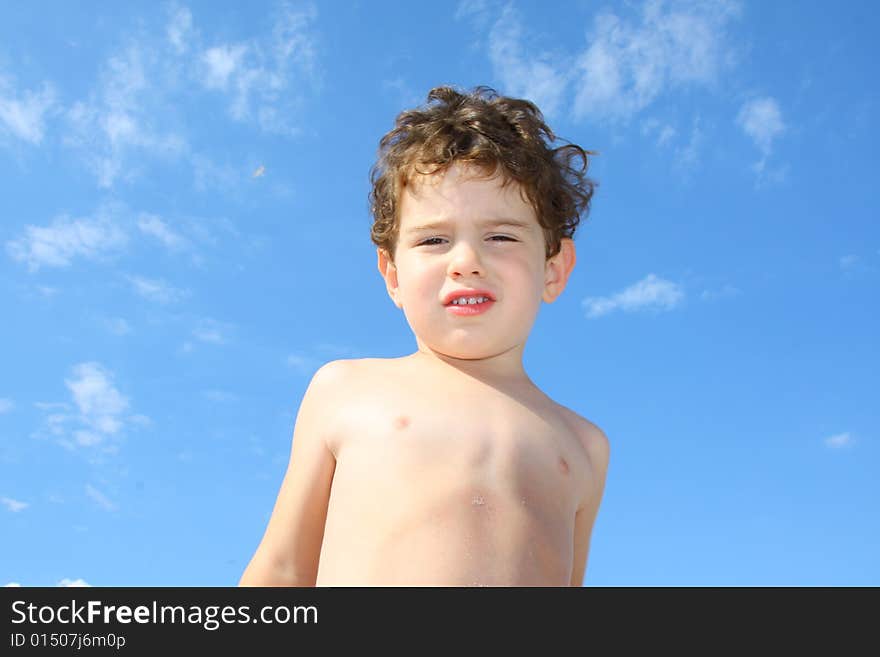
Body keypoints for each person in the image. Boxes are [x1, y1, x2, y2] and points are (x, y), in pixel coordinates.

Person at [239, 85, 609, 587]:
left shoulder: (585, 445)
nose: (466, 262)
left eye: (499, 236)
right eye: (434, 240)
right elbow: (281, 569)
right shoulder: (345, 389)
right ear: (392, 273)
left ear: (553, 268)